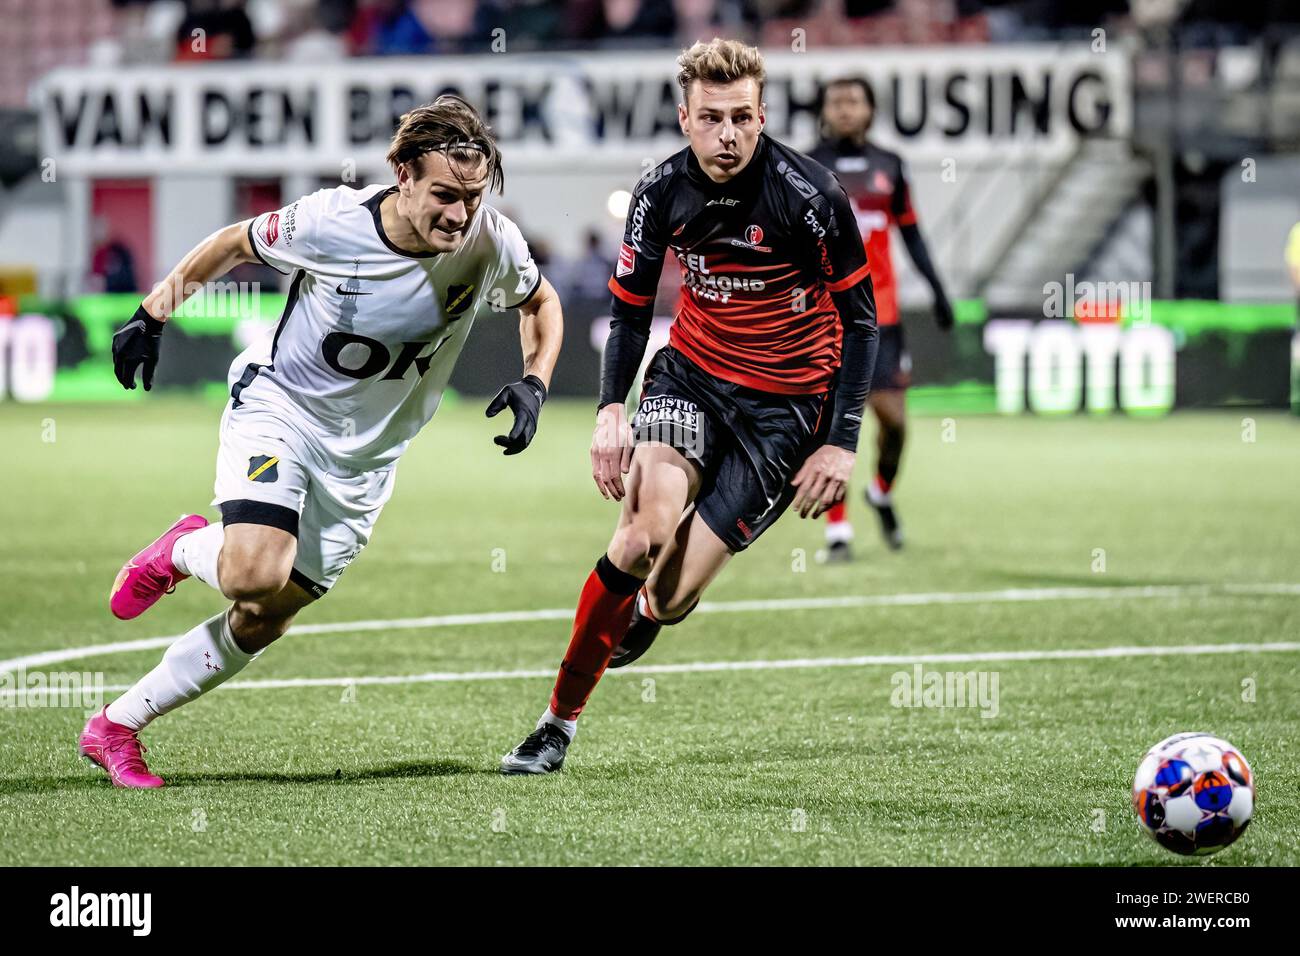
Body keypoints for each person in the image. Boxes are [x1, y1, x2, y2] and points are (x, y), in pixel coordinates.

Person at [81, 95, 564, 788]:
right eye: (445, 195)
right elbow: (233, 243)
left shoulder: (491, 242)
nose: (459, 215)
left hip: (366, 463)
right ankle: (186, 548)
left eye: (473, 197)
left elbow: (540, 301)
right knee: (253, 570)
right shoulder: (331, 221)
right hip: (283, 410)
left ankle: (114, 727)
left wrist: (536, 381)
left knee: (264, 617)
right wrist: (153, 313)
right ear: (402, 174)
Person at [499, 38, 877, 775]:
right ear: (684, 118)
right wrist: (611, 409)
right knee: (639, 537)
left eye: (742, 117)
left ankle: (642, 614)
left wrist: (841, 441)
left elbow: (861, 321)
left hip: (787, 411)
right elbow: (632, 309)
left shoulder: (812, 195)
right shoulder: (659, 192)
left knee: (669, 600)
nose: (728, 134)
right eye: (711, 118)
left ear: (763, 115)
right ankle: (556, 726)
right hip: (692, 377)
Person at [810, 77, 953, 558]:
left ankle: (881, 492)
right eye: (837, 101)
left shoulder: (890, 166)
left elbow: (912, 235)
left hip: (882, 318)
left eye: (854, 101)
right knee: (830, 423)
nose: (845, 109)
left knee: (894, 423)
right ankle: (838, 531)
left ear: (870, 110)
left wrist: (937, 290)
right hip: (824, 319)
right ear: (825, 110)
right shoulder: (806, 167)